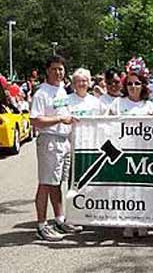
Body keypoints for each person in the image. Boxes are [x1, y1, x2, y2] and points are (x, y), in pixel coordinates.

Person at [30, 55, 82, 241]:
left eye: (61, 69)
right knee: (45, 183)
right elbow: (35, 120)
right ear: (47, 70)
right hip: (49, 141)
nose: (58, 72)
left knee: (57, 183)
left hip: (63, 140)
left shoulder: (61, 90)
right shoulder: (41, 93)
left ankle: (59, 219)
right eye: (54, 69)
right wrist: (60, 119)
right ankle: (41, 225)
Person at [108, 57, 153, 237]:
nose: (133, 87)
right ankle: (127, 222)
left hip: (144, 154)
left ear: (143, 85)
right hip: (123, 153)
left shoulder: (149, 105)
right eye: (129, 84)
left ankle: (142, 222)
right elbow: (104, 124)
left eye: (137, 83)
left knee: (143, 189)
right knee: (126, 189)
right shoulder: (118, 104)